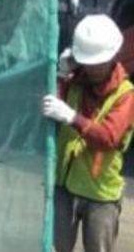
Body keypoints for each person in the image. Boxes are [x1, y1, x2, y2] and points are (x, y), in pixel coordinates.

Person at [43, 14, 134, 252]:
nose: (93, 68)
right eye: (88, 62)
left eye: (99, 63)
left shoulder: (125, 94)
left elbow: (108, 138)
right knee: (56, 247)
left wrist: (72, 117)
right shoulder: (73, 82)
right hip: (65, 185)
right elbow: (50, 109)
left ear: (113, 56)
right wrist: (60, 77)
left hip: (100, 194)